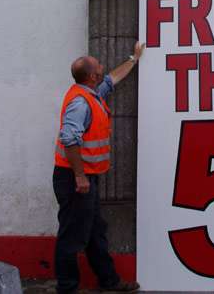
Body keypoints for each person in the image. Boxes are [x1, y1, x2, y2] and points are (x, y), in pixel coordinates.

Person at [53, 42, 145, 294]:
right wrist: (80, 176)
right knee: (72, 237)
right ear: (92, 76)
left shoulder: (91, 93)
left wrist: (134, 59)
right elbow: (69, 138)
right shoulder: (80, 103)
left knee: (95, 232)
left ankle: (109, 281)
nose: (104, 67)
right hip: (74, 180)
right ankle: (67, 288)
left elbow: (113, 78)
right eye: (99, 66)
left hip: (85, 178)